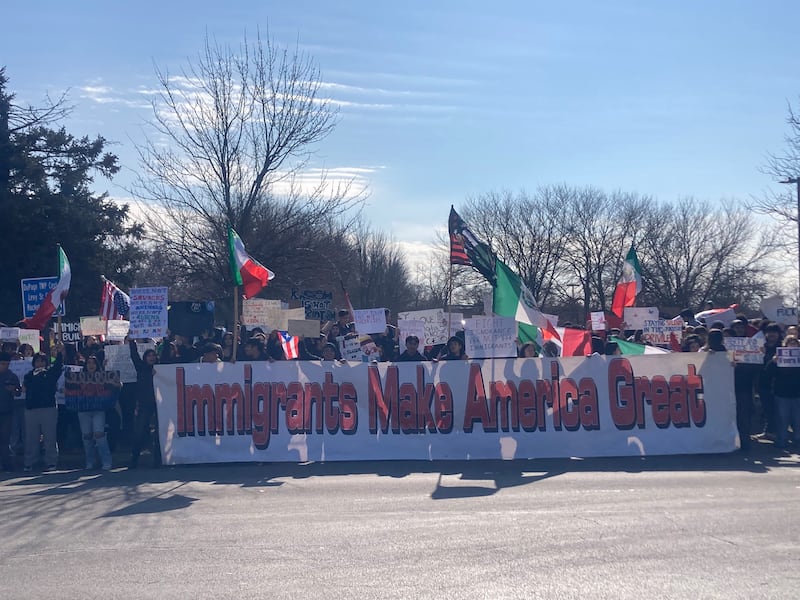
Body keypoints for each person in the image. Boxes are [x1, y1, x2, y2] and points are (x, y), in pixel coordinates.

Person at [22, 346, 64, 472]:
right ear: (33, 363)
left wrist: (59, 354)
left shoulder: (50, 373)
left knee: (50, 437)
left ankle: (51, 462)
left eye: (42, 361)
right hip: (31, 409)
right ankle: (29, 462)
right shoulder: (28, 376)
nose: (40, 363)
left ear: (46, 363)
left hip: (48, 408)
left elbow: (57, 367)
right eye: (37, 361)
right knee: (31, 438)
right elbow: (24, 389)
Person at [72, 355, 117, 470]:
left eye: (93, 363)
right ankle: (90, 461)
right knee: (87, 436)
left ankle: (106, 461)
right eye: (89, 363)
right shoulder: (79, 378)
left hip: (98, 410)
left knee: (99, 434)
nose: (91, 365)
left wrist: (117, 383)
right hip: (83, 410)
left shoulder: (103, 377)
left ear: (97, 365)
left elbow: (115, 386)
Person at [128, 339, 161, 469]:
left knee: (158, 434)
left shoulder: (160, 369)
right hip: (143, 406)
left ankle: (157, 461)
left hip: (158, 406)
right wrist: (131, 341)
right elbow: (134, 355)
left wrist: (167, 338)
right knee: (139, 433)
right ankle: (134, 460)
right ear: (145, 358)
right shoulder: (141, 368)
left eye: (154, 355)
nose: (152, 357)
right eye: (149, 355)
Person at [765, 335, 800, 449]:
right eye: (790, 343)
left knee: (798, 419)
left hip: (797, 393)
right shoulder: (779, 358)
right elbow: (768, 373)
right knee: (782, 419)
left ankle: (797, 440)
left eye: (795, 343)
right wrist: (773, 362)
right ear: (785, 345)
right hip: (782, 393)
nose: (793, 345)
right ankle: (782, 440)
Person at [0, 352, 21, 471]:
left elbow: (18, 391)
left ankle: (6, 462)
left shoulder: (12, 376)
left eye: (7, 364)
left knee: (5, 438)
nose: (5, 366)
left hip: (7, 411)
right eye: (3, 364)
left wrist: (14, 390)